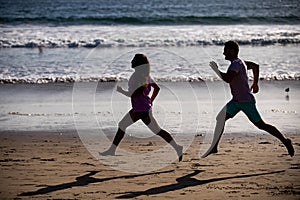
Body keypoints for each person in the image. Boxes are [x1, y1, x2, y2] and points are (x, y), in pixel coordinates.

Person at [202, 40, 294, 158]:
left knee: (262, 125)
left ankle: (286, 141)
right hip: (236, 102)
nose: (223, 53)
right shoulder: (240, 62)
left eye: (225, 50)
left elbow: (228, 78)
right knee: (220, 118)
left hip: (246, 102)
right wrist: (255, 84)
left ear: (232, 51)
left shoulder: (236, 64)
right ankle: (214, 147)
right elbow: (255, 66)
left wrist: (216, 70)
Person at [100, 54, 183, 161]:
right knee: (157, 130)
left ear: (138, 63)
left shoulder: (136, 77)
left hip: (140, 109)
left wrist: (121, 91)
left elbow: (132, 94)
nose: (131, 61)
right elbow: (156, 88)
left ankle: (112, 150)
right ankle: (177, 147)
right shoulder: (145, 76)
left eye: (133, 60)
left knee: (123, 125)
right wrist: (151, 101)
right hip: (144, 108)